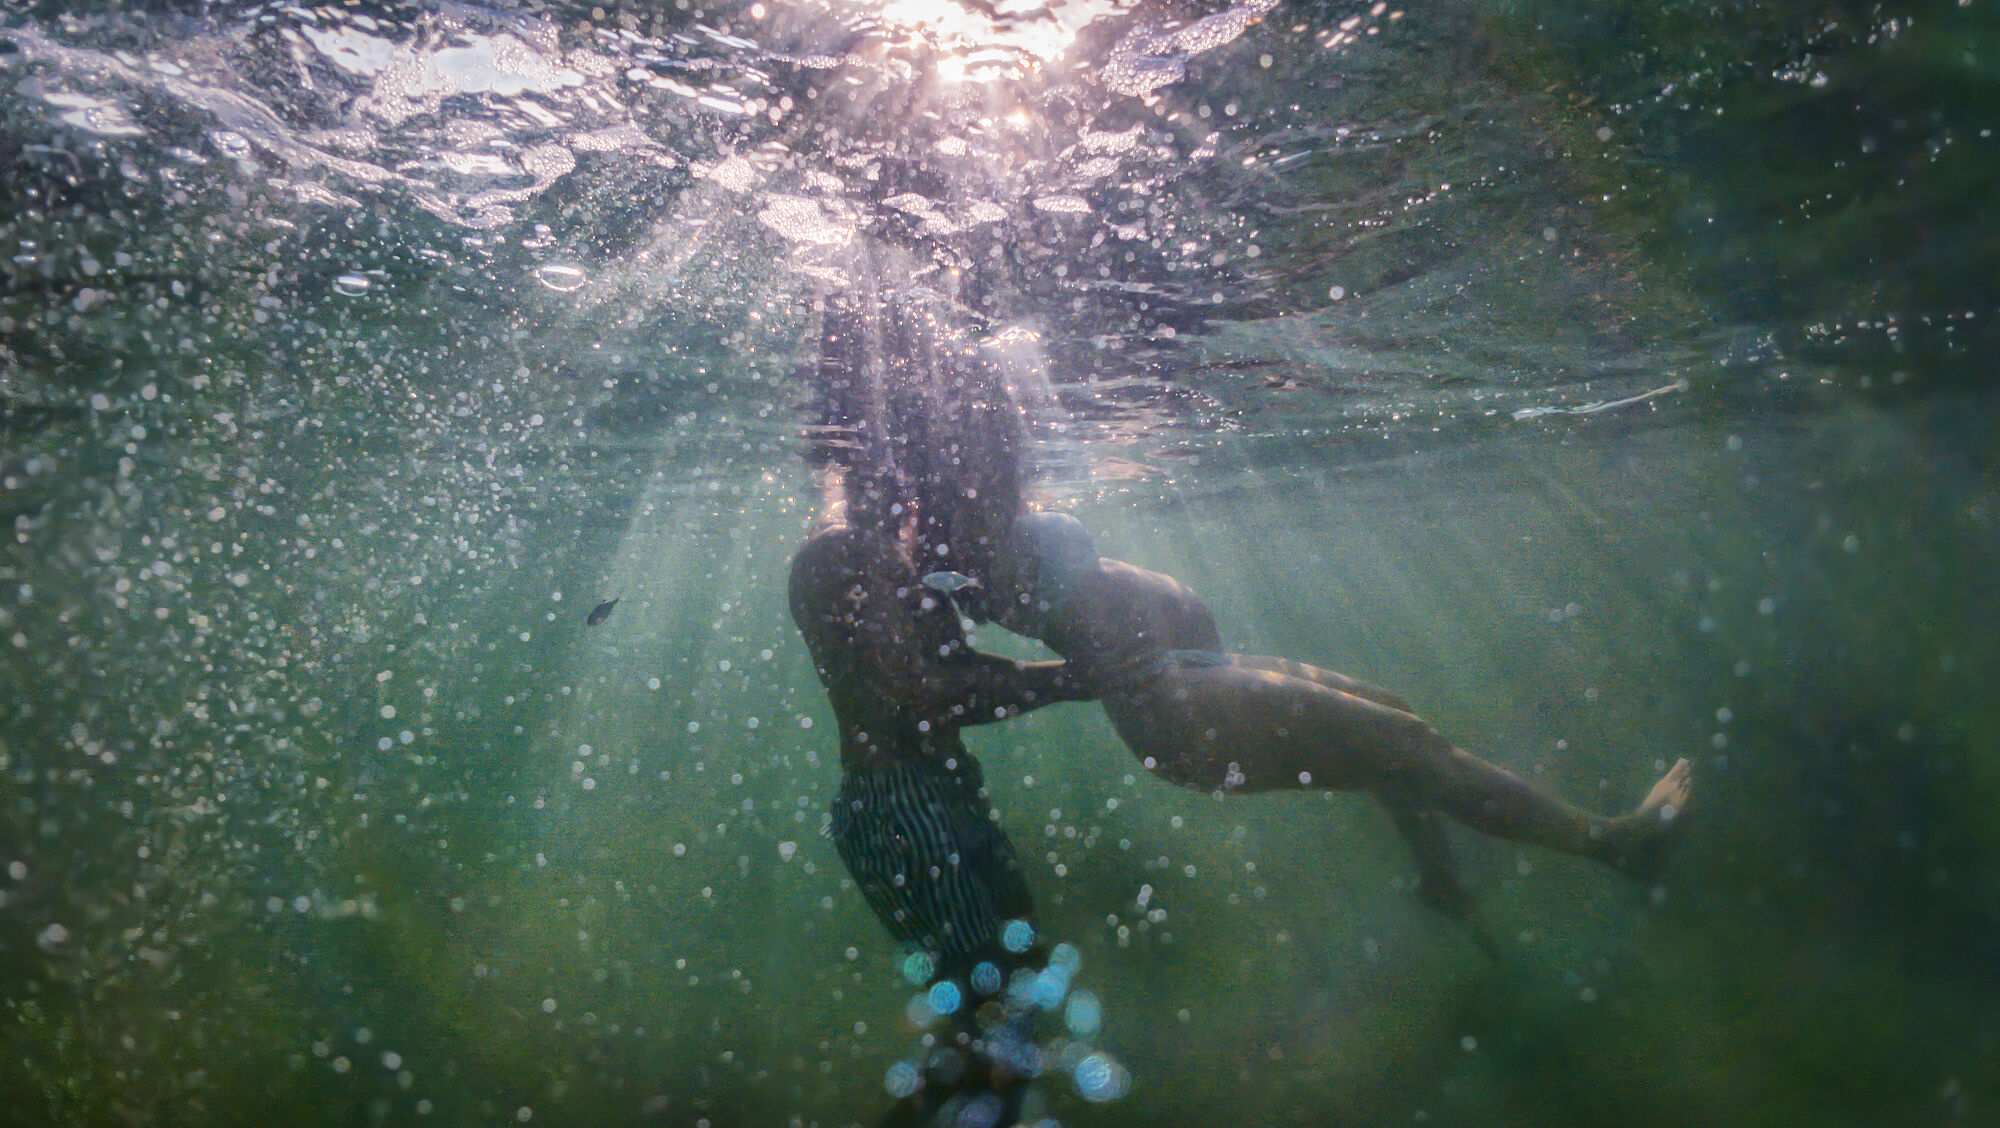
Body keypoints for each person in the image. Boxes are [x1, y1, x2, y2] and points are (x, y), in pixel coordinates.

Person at [790, 288, 1096, 1126]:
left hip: (937, 798)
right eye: (904, 469)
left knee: (1016, 974)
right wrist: (1077, 680)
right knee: (983, 1012)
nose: (920, 492)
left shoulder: (892, 565)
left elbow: (958, 670)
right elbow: (930, 696)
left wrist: (1068, 672)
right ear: (865, 467)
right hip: (900, 807)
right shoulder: (839, 561)